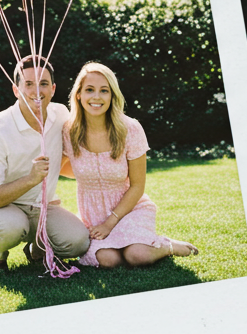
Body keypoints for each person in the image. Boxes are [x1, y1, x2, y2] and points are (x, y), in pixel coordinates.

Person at [60, 62, 198, 268]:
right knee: (107, 260)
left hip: (130, 209)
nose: (96, 97)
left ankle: (167, 246)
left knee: (137, 255)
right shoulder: (69, 131)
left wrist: (110, 223)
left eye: (104, 91)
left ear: (112, 96)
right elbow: (59, 168)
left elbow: (137, 186)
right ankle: (131, 244)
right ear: (78, 94)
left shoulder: (130, 129)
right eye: (89, 90)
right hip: (94, 215)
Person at [0, 55, 90, 272]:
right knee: (10, 227)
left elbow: (67, 157)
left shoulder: (61, 114)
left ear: (53, 89)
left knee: (78, 242)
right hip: (6, 209)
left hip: (44, 207)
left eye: (43, 84)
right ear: (16, 90)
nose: (37, 91)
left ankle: (37, 248)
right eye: (28, 84)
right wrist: (30, 179)